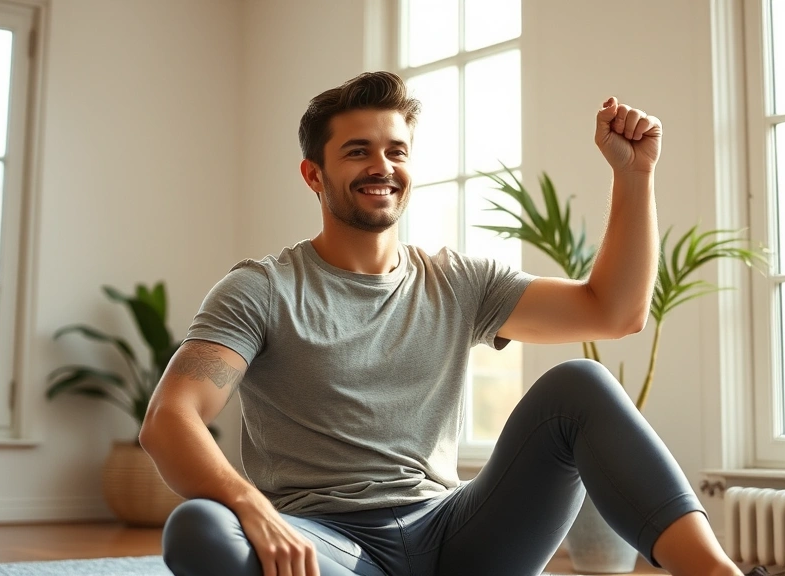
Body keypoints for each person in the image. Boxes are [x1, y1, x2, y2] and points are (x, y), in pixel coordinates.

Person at [139, 71, 751, 576]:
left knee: (579, 386)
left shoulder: (457, 281)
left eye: (395, 151)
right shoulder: (262, 290)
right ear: (313, 175)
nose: (381, 165)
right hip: (328, 545)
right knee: (200, 528)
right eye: (357, 151)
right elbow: (170, 419)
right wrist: (252, 507)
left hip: (458, 536)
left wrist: (634, 174)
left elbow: (614, 312)